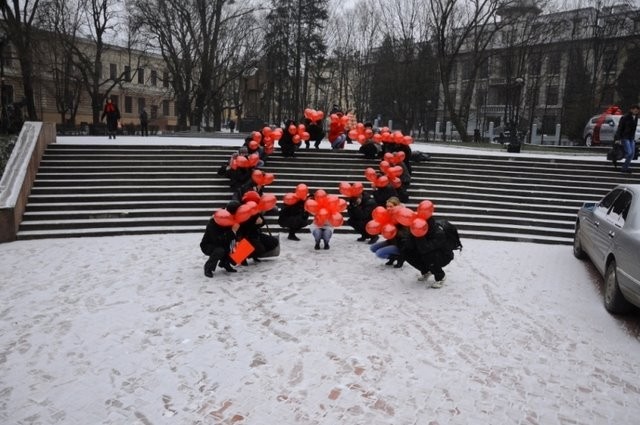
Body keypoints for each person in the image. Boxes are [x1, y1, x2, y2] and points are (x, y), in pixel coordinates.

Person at [400, 216, 451, 288]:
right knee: (406, 252)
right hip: (426, 252)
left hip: (444, 255)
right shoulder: (417, 229)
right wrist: (412, 234)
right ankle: (426, 271)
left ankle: (441, 277)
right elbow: (409, 246)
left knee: (428, 254)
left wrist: (420, 236)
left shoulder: (438, 232)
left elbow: (426, 248)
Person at [200, 201, 241, 277]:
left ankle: (225, 263)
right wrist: (232, 231)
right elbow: (217, 240)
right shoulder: (214, 221)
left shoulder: (233, 218)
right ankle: (208, 267)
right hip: (210, 244)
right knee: (220, 250)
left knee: (243, 246)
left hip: (225, 242)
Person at [369, 197, 404, 263]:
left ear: (397, 206)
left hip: (401, 245)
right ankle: (392, 257)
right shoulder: (388, 215)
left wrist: (393, 231)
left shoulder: (402, 216)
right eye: (387, 206)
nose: (388, 208)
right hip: (391, 241)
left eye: (391, 206)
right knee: (373, 248)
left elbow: (405, 235)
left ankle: (401, 257)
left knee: (379, 253)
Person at [616, 104, 639, 174]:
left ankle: (624, 168)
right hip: (625, 137)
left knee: (632, 154)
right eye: (635, 110)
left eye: (637, 111)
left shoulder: (636, 117)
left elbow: (633, 129)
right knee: (629, 152)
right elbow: (620, 128)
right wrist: (618, 138)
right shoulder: (625, 117)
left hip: (631, 138)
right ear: (631, 109)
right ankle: (622, 155)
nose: (636, 112)